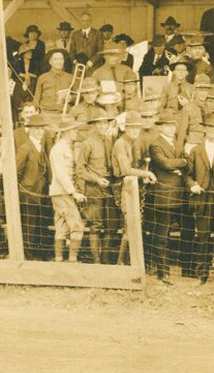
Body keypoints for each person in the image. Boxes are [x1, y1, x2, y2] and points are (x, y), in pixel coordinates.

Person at [185, 113, 214, 284]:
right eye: (210, 127)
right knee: (203, 237)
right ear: (204, 129)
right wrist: (193, 186)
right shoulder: (196, 150)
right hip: (202, 199)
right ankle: (202, 275)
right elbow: (188, 175)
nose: (213, 131)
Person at [146, 110, 189, 283]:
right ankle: (162, 272)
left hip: (180, 194)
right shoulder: (155, 144)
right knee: (162, 234)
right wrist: (181, 163)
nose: (171, 128)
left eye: (173, 125)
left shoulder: (179, 143)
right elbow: (164, 163)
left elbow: (188, 161)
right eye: (167, 126)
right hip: (164, 195)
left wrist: (181, 164)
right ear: (161, 127)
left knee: (185, 231)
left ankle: (187, 270)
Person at [111, 112, 155, 266]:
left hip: (131, 187)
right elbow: (125, 169)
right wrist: (146, 172)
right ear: (125, 128)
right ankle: (121, 262)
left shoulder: (130, 143)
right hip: (123, 187)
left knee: (132, 225)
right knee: (129, 225)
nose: (135, 131)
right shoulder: (120, 144)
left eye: (137, 128)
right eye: (132, 128)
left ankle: (127, 262)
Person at [76, 112, 115, 264]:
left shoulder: (110, 141)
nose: (103, 126)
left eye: (105, 123)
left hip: (108, 187)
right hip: (93, 188)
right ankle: (96, 261)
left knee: (111, 224)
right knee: (95, 225)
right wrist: (97, 179)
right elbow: (80, 169)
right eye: (99, 123)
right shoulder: (88, 143)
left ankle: (105, 260)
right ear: (94, 125)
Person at [49, 115, 86, 262]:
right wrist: (73, 192)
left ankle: (59, 259)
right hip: (62, 192)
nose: (76, 132)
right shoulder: (58, 149)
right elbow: (61, 174)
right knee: (77, 225)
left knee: (61, 225)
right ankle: (72, 259)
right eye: (74, 130)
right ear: (67, 131)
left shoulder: (64, 147)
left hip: (60, 192)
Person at [15, 114, 51, 261]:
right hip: (28, 192)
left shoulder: (41, 146)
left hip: (41, 191)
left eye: (41, 129)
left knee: (39, 223)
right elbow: (16, 170)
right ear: (30, 130)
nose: (39, 132)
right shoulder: (25, 148)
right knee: (29, 224)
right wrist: (23, 187)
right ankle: (27, 255)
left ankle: (37, 252)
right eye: (36, 129)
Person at [34, 48, 73, 113]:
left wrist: (71, 98)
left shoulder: (70, 77)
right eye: (56, 59)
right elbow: (36, 99)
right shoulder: (42, 78)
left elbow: (80, 96)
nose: (59, 61)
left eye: (61, 59)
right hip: (46, 113)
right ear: (50, 62)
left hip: (64, 113)